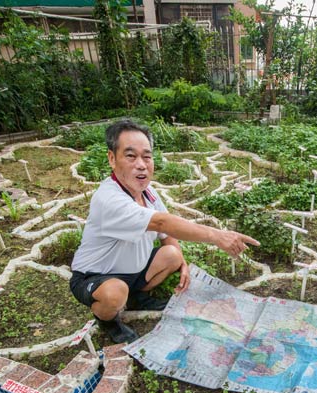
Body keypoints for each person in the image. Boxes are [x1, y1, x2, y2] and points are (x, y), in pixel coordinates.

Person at [69, 119, 259, 343]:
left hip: (133, 271)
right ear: (112, 158)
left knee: (173, 254)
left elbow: (167, 234)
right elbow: (162, 223)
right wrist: (218, 236)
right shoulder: (109, 199)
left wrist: (183, 263)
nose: (141, 164)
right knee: (114, 294)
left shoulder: (148, 192)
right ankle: (108, 319)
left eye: (147, 156)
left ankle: (137, 297)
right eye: (131, 156)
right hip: (95, 276)